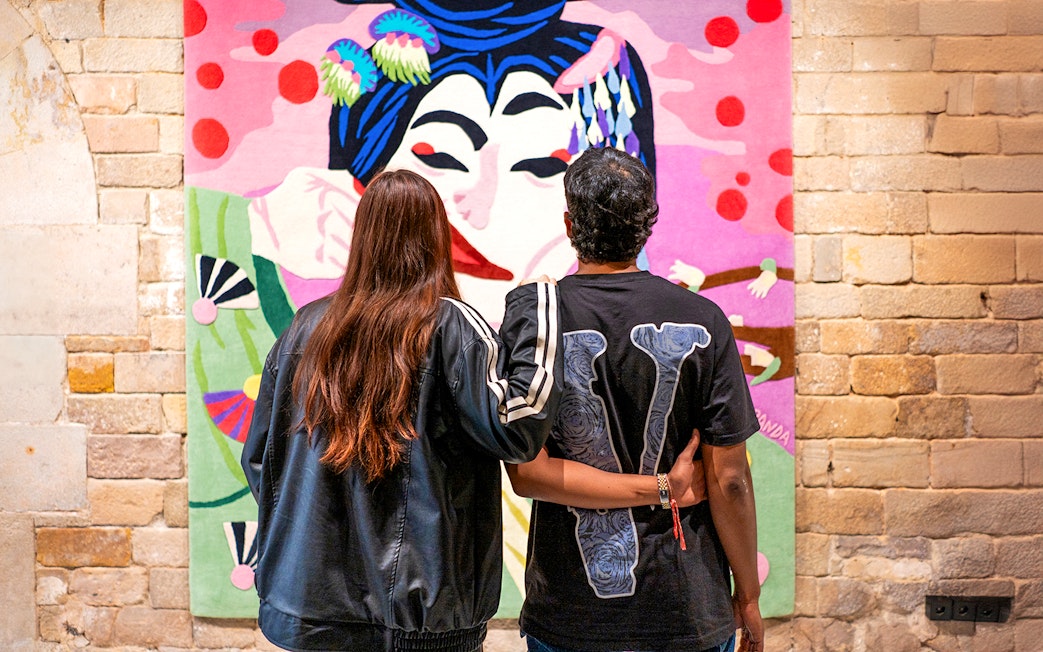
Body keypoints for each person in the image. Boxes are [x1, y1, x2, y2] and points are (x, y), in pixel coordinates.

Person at [240, 168, 707, 651]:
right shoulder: (450, 327)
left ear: (362, 236)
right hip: (424, 618)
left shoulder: (304, 330)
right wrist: (541, 304)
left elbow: (261, 462)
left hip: (307, 613)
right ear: (435, 237)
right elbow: (520, 430)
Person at [507, 147, 764, 652]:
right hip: (685, 610)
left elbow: (526, 472)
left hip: (569, 616)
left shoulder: (535, 318)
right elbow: (729, 479)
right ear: (649, 224)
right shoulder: (705, 319)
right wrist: (749, 596)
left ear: (569, 221)